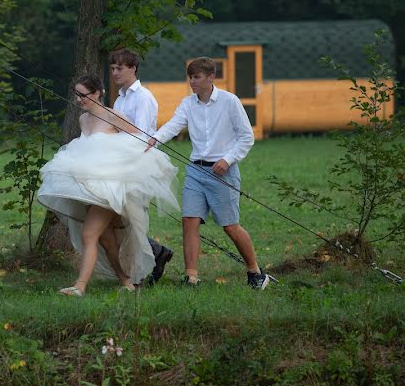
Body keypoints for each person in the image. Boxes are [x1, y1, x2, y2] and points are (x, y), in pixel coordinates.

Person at [37, 75, 179, 296]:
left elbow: (138, 141)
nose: (79, 99)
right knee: (106, 238)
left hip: (108, 187)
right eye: (76, 95)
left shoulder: (113, 116)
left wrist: (123, 172)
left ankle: (80, 286)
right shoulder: (83, 120)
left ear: (97, 93)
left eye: (83, 95)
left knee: (89, 234)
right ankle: (125, 281)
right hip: (86, 185)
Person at [146, 57, 270, 290]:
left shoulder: (229, 101)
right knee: (189, 221)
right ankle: (191, 277)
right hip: (195, 170)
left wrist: (227, 159)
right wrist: (153, 140)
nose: (192, 81)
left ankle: (255, 272)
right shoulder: (187, 103)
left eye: (197, 77)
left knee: (230, 226)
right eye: (190, 77)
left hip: (223, 172)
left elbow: (246, 137)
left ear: (211, 77)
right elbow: (173, 126)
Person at [109, 48, 174, 285]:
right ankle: (156, 251)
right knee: (121, 217)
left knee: (135, 217)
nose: (115, 72)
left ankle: (140, 271)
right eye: (113, 68)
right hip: (121, 164)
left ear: (133, 68)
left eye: (120, 68)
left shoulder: (143, 97)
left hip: (138, 165)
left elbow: (142, 137)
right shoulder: (120, 98)